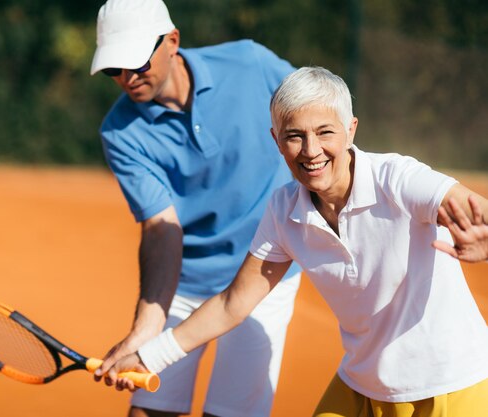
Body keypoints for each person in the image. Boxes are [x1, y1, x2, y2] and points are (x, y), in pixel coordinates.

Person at [98, 66, 488, 417]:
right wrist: (149, 356)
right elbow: (234, 303)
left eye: (325, 132)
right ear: (276, 139)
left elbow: (471, 208)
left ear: (350, 129)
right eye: (294, 137)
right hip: (365, 385)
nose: (311, 151)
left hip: (452, 384)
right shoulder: (285, 210)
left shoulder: (398, 179)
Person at [88, 0, 303, 416]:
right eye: (114, 69)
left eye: (135, 62)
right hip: (184, 282)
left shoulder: (250, 63)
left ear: (172, 41)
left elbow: (320, 114)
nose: (127, 78)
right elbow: (161, 228)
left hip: (266, 272)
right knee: (149, 412)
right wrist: (146, 329)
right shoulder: (120, 132)